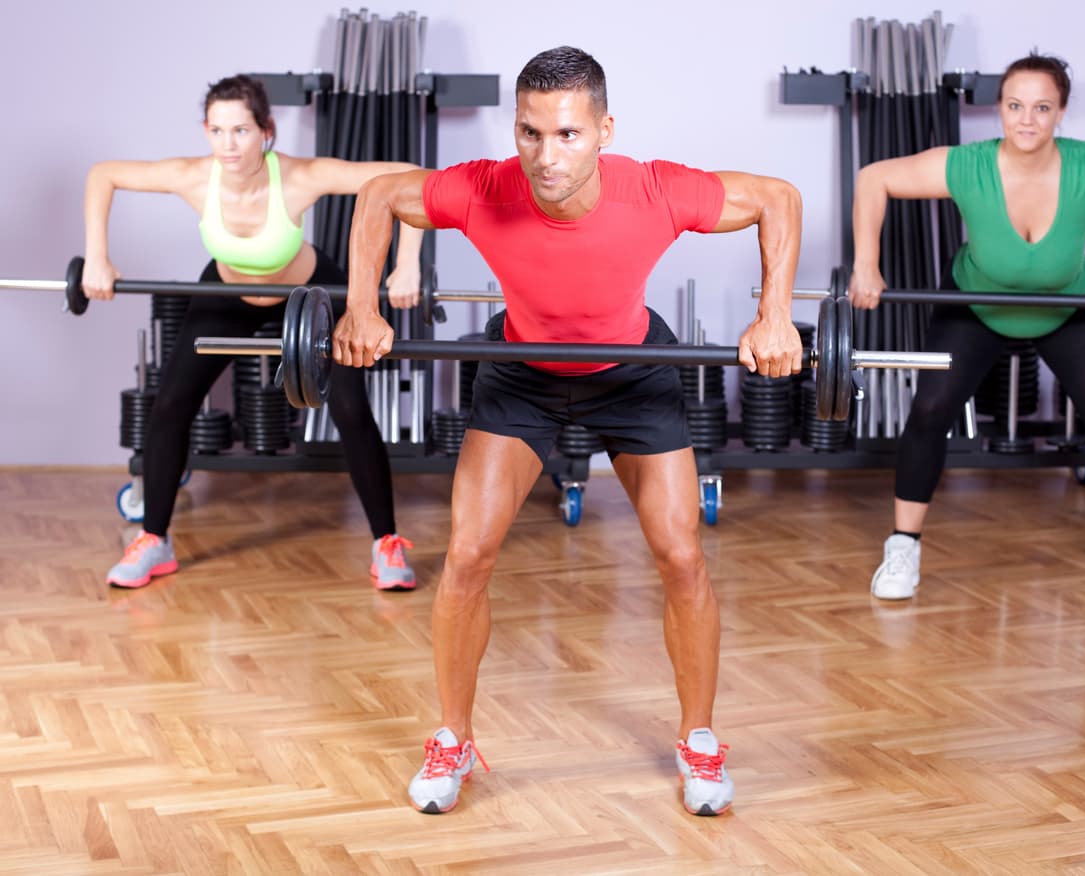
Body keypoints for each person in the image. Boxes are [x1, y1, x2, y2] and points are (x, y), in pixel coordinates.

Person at [331, 46, 803, 815]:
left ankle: (699, 739)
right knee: (468, 555)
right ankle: (453, 738)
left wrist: (774, 314)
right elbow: (382, 193)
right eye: (530, 133)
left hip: (632, 372)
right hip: (522, 373)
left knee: (682, 557)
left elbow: (776, 197)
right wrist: (361, 306)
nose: (546, 156)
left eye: (568, 135)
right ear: (515, 128)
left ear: (604, 131)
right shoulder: (485, 188)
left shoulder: (653, 190)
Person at [848, 53, 1085, 610]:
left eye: (1042, 107)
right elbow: (875, 178)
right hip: (976, 303)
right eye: (1016, 106)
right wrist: (866, 266)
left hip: (1066, 305)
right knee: (931, 411)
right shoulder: (968, 166)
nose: (1027, 120)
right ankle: (903, 546)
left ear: (1061, 112)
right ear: (1000, 109)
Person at [84, 74, 424, 591]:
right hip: (228, 294)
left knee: (351, 410)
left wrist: (408, 264)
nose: (228, 145)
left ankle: (387, 543)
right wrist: (97, 257)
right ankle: (154, 539)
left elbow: (410, 178)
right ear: (205, 130)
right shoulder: (194, 177)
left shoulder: (299, 177)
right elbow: (103, 175)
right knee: (170, 403)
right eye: (217, 131)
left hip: (309, 293)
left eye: (240, 130)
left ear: (266, 130)